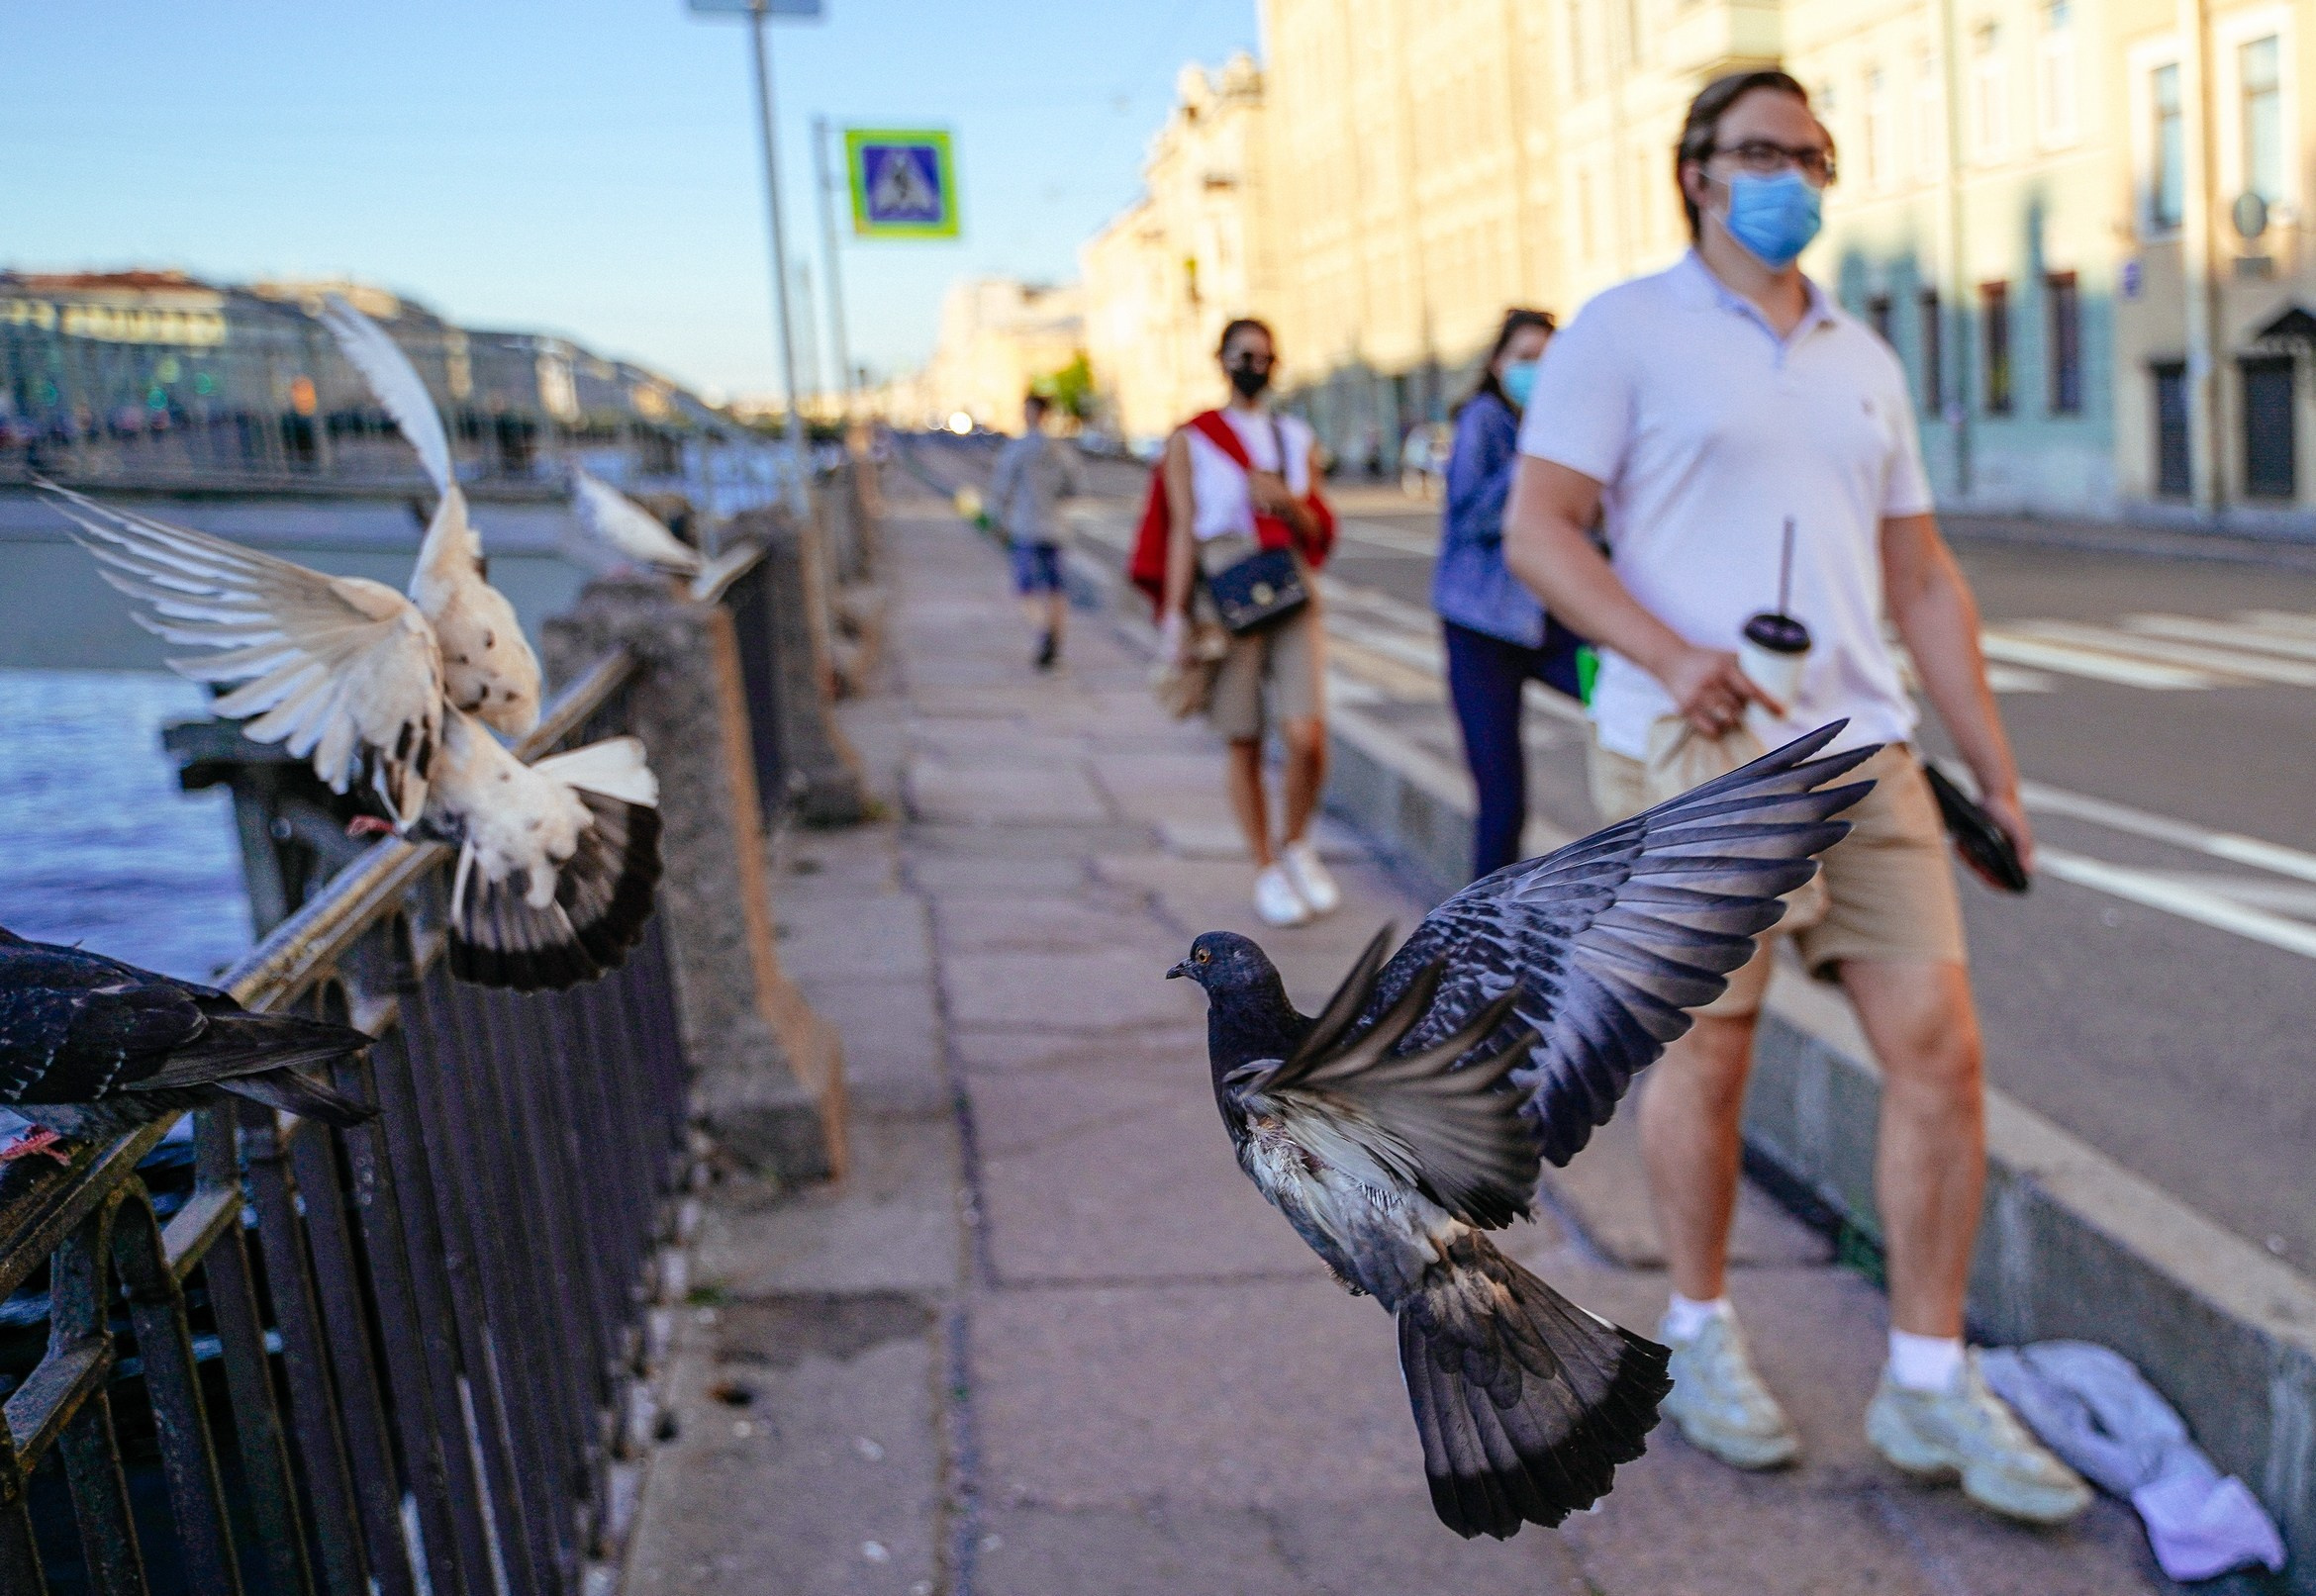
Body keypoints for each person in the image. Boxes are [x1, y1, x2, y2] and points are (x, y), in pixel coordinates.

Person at [1502, 70, 2090, 1525]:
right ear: (1697, 170)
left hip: (1863, 746)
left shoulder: (1861, 353)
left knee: (1940, 1051)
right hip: (1697, 746)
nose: (1793, 178)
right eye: (1763, 151)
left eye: (1814, 157)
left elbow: (1920, 577)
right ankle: (1700, 1333)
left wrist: (1993, 766)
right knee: (1714, 1052)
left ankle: (1927, 1376)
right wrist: (1668, 652)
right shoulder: (1622, 330)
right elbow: (1541, 532)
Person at [1135, 318, 1339, 927]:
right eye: (1242, 355)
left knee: (1307, 735)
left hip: (1288, 586)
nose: (1254, 366)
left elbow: (1319, 529)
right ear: (1221, 360)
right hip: (1224, 592)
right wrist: (1174, 618)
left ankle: (1296, 843)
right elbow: (1181, 531)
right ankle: (1265, 867)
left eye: (1264, 357)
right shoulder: (1191, 439)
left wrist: (1287, 501)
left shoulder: (1294, 436)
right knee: (1244, 735)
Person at [1432, 307, 1588, 881]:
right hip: (1481, 630)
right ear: (1498, 364)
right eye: (1525, 358)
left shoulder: (1572, 427)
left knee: (1623, 700)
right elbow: (1470, 516)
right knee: (1502, 801)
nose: (1536, 371)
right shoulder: (1484, 420)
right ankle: (1478, 923)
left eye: (1548, 359)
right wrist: (1534, 460)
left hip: (1551, 623)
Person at [988, 392, 1084, 669]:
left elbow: (1001, 490)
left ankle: (1045, 633)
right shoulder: (1061, 451)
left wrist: (996, 522)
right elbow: (1074, 488)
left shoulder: (1016, 449)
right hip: (1054, 528)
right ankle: (1055, 640)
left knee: (1026, 589)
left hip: (1026, 529)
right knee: (1055, 589)